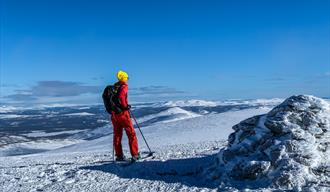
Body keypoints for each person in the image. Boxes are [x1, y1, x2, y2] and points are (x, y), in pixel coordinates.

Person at [111, 70, 140, 161]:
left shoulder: (114, 86)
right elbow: (121, 97)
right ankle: (135, 155)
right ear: (124, 78)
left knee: (117, 135)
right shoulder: (124, 86)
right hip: (123, 114)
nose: (127, 79)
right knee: (131, 134)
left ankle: (119, 156)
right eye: (127, 78)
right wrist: (125, 106)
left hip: (114, 114)